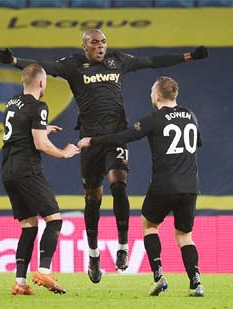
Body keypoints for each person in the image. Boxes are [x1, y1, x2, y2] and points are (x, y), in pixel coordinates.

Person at [0, 29, 208, 283]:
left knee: (119, 186)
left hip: (116, 135)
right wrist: (14, 61)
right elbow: (46, 67)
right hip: (89, 140)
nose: (101, 46)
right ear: (85, 46)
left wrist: (189, 56)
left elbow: (152, 61)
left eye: (103, 42)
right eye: (95, 42)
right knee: (92, 198)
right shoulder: (74, 65)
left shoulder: (117, 61)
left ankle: (122, 247)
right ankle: (94, 254)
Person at [78, 76, 205, 297]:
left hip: (164, 183)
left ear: (157, 96)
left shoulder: (155, 119)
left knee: (149, 225)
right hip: (190, 185)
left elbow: (125, 136)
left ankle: (158, 276)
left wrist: (93, 141)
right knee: (185, 235)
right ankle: (196, 282)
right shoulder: (191, 116)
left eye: (151, 93)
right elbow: (197, 143)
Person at [2, 63, 80, 296]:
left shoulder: (12, 103)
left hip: (8, 170)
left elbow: (19, 133)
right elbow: (39, 144)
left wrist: (43, 128)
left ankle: (20, 283)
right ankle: (44, 270)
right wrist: (63, 152)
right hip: (28, 169)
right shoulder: (39, 106)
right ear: (41, 83)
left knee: (29, 227)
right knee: (54, 220)